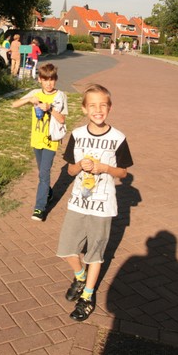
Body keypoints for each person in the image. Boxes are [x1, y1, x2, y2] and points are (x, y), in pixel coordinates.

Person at [57, 83, 133, 321]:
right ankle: (80, 277)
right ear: (84, 108)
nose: (98, 110)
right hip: (78, 202)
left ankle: (88, 296)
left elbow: (123, 173)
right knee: (66, 249)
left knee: (95, 254)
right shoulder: (77, 135)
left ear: (109, 108)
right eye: (92, 105)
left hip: (103, 205)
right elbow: (70, 171)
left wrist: (105, 168)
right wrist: (81, 165)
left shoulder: (118, 138)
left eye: (102, 105)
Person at [11, 63, 69, 221]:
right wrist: (30, 100)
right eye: (45, 80)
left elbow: (62, 120)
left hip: (50, 140)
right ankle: (48, 193)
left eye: (52, 80)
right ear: (40, 80)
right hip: (36, 139)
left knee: (44, 174)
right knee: (41, 172)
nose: (49, 83)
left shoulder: (60, 96)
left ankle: (39, 208)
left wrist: (50, 109)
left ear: (56, 79)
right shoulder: (35, 93)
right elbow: (14, 104)